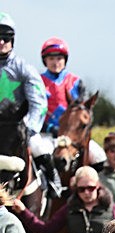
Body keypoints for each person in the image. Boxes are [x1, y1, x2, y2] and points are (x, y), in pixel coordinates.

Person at [0, 13, 63, 197]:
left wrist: (29, 127)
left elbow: (38, 102)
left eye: (6, 38)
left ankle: (54, 183)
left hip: (19, 127)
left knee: (39, 148)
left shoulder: (24, 68)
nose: (1, 42)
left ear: (12, 40)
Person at [40, 36, 106, 172]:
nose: (55, 62)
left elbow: (83, 112)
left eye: (59, 58)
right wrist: (51, 129)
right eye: (51, 59)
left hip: (73, 136)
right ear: (45, 60)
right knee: (43, 155)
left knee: (99, 157)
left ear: (65, 60)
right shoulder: (38, 81)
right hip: (48, 133)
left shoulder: (76, 81)